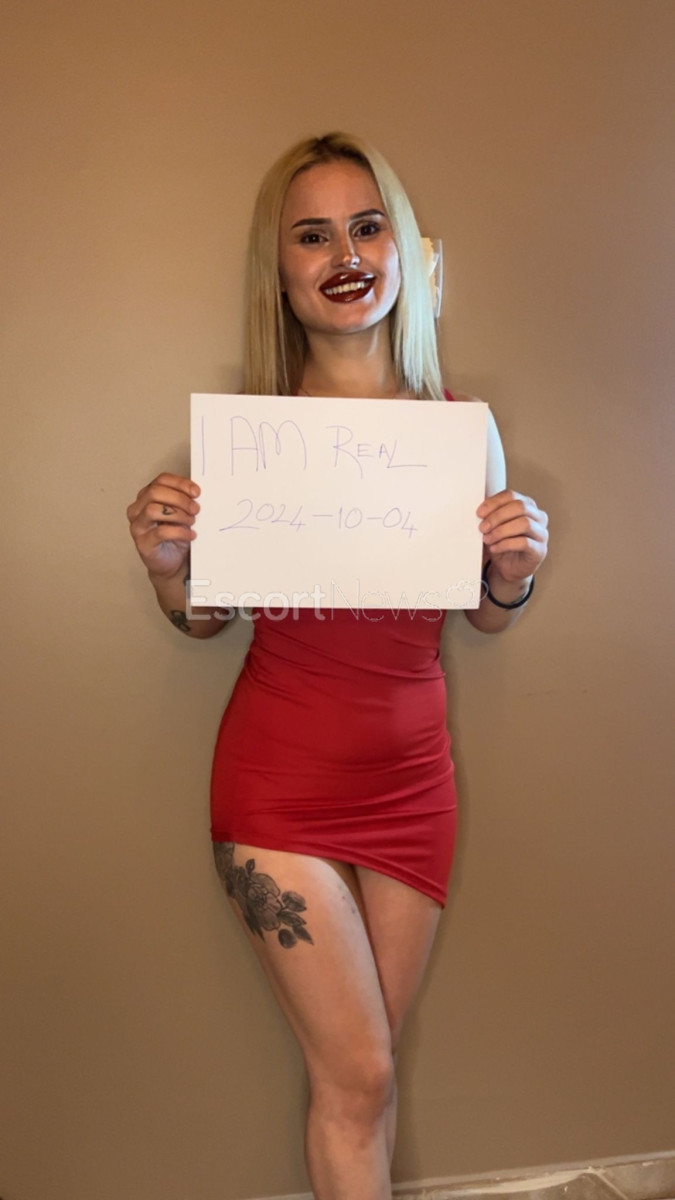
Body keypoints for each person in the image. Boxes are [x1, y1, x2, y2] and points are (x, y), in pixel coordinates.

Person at [126, 132, 549, 1200]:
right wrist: (170, 572)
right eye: (312, 236)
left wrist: (512, 573)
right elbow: (205, 622)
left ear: (405, 249)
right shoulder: (250, 441)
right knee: (359, 1076)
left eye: (367, 227)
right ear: (279, 273)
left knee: (362, 1075)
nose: (346, 254)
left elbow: (483, 617)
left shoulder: (460, 433)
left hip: (414, 785)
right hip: (279, 785)